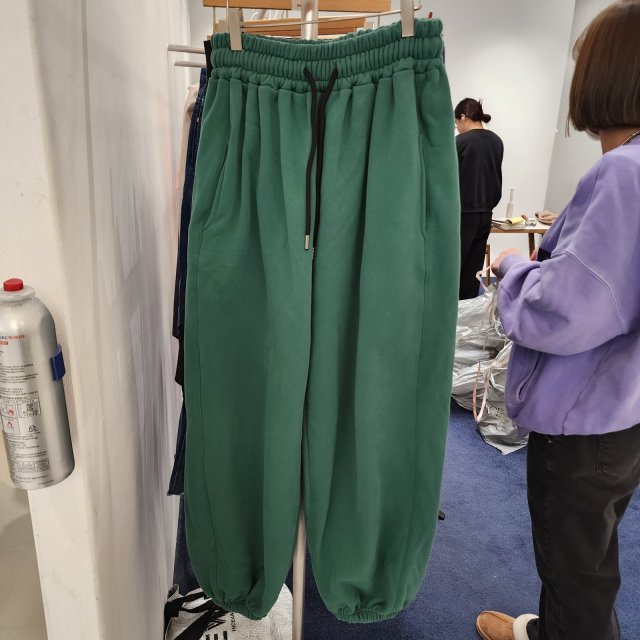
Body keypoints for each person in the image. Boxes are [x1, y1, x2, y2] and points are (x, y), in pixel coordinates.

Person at [476, 2, 640, 639]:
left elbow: (568, 309)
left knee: (573, 564)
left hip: (584, 418)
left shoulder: (624, 174)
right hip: (622, 408)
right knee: (590, 554)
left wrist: (515, 269)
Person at [454, 98, 504, 299]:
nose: (457, 129)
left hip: (463, 213)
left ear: (463, 117)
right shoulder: (497, 141)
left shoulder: (460, 142)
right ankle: (467, 308)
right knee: (473, 266)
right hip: (486, 213)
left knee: (454, 264)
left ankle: (447, 310)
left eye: (456, 123)